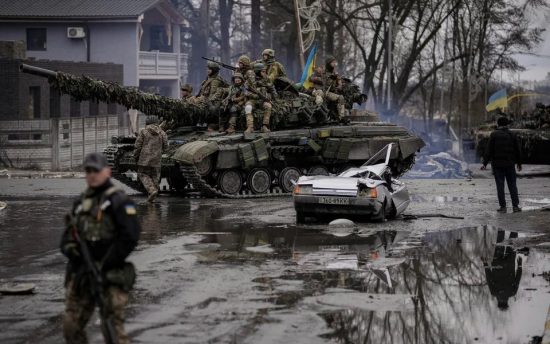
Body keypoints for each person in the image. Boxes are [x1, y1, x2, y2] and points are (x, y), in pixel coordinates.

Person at [60, 152, 141, 344]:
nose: (92, 175)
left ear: (107, 171)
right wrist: (73, 252)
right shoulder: (81, 202)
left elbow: (130, 237)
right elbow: (68, 236)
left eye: (95, 170)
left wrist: (106, 261)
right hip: (82, 273)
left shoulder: (119, 201)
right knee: (71, 327)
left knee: (113, 331)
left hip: (110, 274)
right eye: (88, 171)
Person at [481, 116, 522, 213]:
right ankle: (515, 206)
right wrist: (519, 163)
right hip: (510, 164)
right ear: (507, 124)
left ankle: (503, 207)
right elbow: (518, 150)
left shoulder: (494, 135)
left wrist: (485, 163)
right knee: (512, 185)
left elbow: (489, 150)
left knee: (500, 186)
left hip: (497, 165)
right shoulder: (512, 135)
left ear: (498, 124)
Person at [134, 116, 168, 202]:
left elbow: (138, 146)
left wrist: (136, 156)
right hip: (157, 159)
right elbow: (166, 146)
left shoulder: (143, 131)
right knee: (155, 176)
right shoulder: (162, 132)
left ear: (147, 122)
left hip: (144, 159)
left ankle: (151, 190)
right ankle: (153, 195)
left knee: (142, 174)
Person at [244, 62, 278, 133]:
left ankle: (264, 126)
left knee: (268, 106)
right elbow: (245, 91)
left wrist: (274, 97)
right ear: (257, 71)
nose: (264, 72)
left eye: (265, 71)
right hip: (253, 100)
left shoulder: (266, 79)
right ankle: (250, 127)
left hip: (263, 100)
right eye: (262, 71)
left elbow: (272, 89)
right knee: (248, 107)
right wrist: (253, 95)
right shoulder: (249, 81)